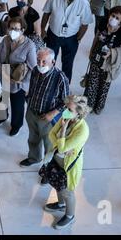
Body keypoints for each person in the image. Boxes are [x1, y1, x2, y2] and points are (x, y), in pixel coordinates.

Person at [42, 95, 90, 230]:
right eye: (66, 108)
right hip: (57, 158)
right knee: (58, 184)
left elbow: (62, 147)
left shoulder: (83, 130)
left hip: (69, 166)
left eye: (69, 109)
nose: (65, 111)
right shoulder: (66, 117)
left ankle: (70, 216)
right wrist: (61, 143)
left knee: (67, 192)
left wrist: (62, 130)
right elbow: (51, 134)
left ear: (79, 113)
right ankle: (60, 204)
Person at [19, 48, 69, 176]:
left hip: (47, 118)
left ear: (53, 61)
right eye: (38, 61)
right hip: (32, 112)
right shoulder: (35, 70)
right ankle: (34, 158)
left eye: (44, 62)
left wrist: (52, 114)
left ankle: (49, 170)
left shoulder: (60, 78)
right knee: (33, 139)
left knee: (49, 146)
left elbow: (66, 102)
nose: (40, 64)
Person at [41, 0, 93, 82]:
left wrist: (78, 38)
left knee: (67, 64)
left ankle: (64, 87)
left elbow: (85, 23)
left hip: (71, 38)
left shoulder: (83, 2)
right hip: (53, 35)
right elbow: (46, 13)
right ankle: (47, 83)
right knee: (49, 61)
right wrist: (42, 29)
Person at [84, 6, 121, 114]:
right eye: (112, 15)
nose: (113, 18)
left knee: (104, 85)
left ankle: (99, 107)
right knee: (92, 82)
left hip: (109, 63)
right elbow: (96, 37)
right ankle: (89, 105)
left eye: (117, 18)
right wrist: (91, 51)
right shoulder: (103, 22)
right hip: (97, 58)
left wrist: (112, 52)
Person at [0, 17, 37, 136]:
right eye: (11, 28)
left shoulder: (29, 46)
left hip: (18, 80)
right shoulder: (5, 40)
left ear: (22, 30)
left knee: (17, 105)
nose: (13, 31)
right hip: (3, 75)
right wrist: (0, 71)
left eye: (17, 29)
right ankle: (1, 117)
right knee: (1, 99)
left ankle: (16, 125)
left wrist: (25, 85)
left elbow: (32, 68)